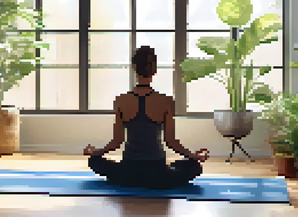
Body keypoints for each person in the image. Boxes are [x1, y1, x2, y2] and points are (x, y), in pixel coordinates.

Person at [84, 45, 209, 189]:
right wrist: (193, 156)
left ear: (134, 69)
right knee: (194, 167)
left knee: (94, 161)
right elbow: (171, 141)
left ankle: (131, 177)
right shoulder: (166, 101)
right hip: (157, 173)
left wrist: (96, 152)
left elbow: (117, 141)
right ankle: (170, 168)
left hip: (128, 173)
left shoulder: (121, 100)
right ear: (154, 70)